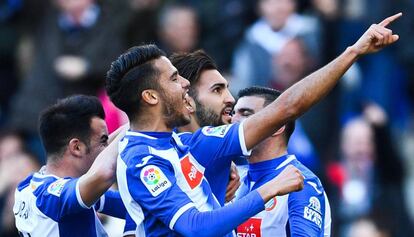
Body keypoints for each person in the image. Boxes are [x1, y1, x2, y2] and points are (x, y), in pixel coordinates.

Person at [106, 12, 400, 236]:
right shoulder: (142, 158)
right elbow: (287, 106)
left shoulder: (190, 148)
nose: (230, 103)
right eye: (217, 90)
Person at [13, 95, 131, 236]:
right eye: (103, 141)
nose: (107, 148)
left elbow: (131, 205)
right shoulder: (53, 197)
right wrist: (143, 124)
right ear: (76, 148)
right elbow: (103, 174)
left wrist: (134, 128)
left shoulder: (27, 187)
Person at [232, 86, 331, 236]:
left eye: (245, 114)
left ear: (277, 127)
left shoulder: (300, 182)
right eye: (233, 113)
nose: (233, 121)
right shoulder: (235, 179)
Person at [170, 50, 239, 204]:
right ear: (187, 102)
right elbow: (286, 110)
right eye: (217, 90)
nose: (231, 98)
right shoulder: (208, 143)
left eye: (227, 88)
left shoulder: (165, 147)